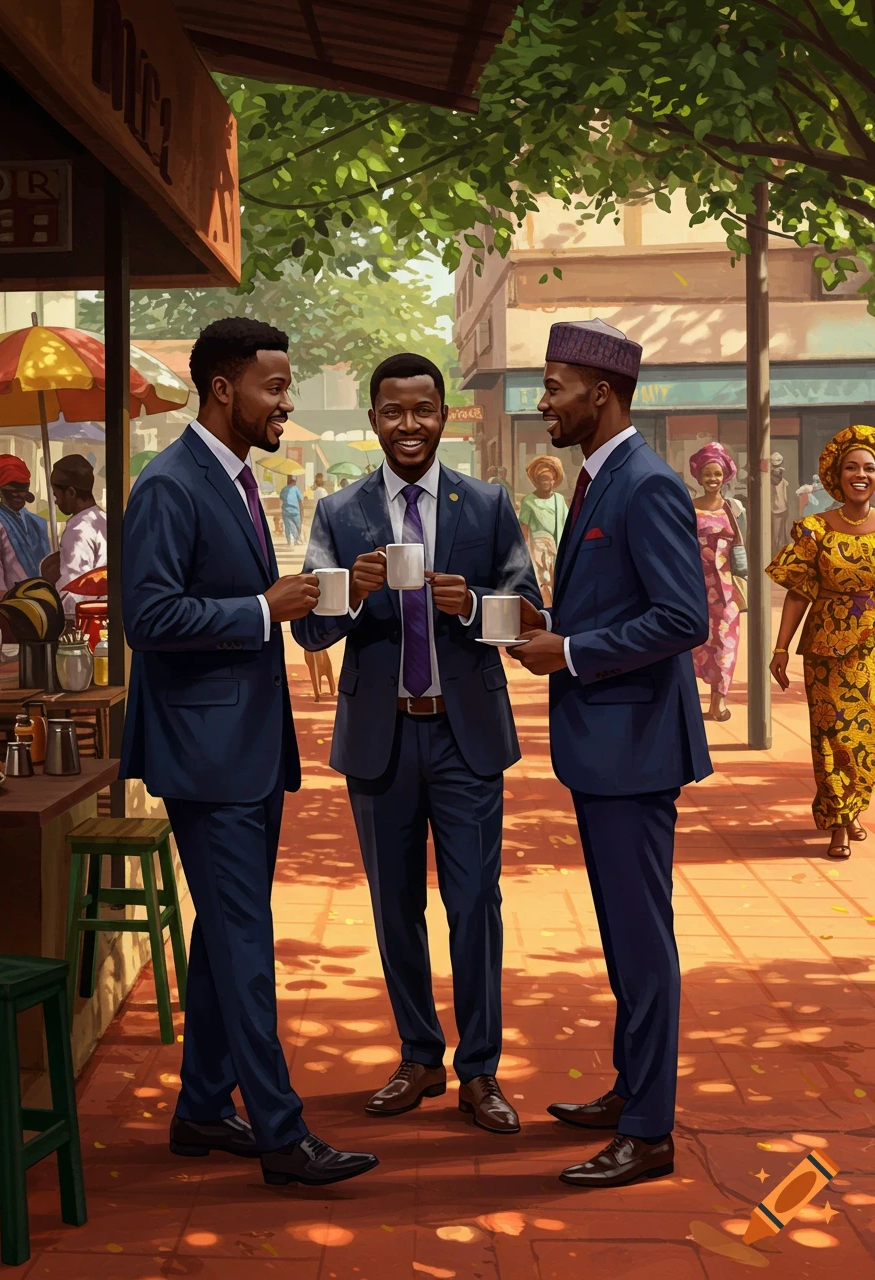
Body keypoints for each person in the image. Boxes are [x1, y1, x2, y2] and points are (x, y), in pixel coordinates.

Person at [120, 318, 378, 1189]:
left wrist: (317, 600)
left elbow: (254, 606)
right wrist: (262, 609)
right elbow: (149, 621)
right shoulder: (169, 485)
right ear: (224, 389)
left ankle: (200, 1109)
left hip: (248, 749)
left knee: (229, 937)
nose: (287, 401)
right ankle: (280, 1132)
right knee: (244, 942)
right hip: (207, 754)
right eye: (274, 386)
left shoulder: (231, 479)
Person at [292, 353, 542, 1136]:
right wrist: (351, 589)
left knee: (475, 907)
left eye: (423, 409)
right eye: (393, 411)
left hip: (466, 737)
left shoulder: (489, 505)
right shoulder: (339, 512)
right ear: (372, 420)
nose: (409, 425)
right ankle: (418, 1055)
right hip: (380, 740)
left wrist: (475, 604)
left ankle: (480, 1072)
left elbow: (528, 614)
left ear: (444, 416)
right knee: (394, 908)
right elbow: (308, 625)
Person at [508, 318, 711, 1189]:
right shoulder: (599, 479)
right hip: (605, 745)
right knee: (626, 939)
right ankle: (633, 1090)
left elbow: (682, 618)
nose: (542, 401)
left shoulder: (647, 485)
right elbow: (616, 603)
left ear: (602, 392)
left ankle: (650, 1130)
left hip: (633, 747)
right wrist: (550, 629)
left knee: (641, 940)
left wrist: (574, 654)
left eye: (554, 386)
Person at [769, 425, 875, 860]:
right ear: (836, 473)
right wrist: (779, 648)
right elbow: (797, 592)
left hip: (872, 647)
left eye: (869, 467)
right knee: (832, 735)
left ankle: (853, 808)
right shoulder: (813, 528)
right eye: (851, 466)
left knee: (865, 737)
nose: (861, 474)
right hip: (826, 646)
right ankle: (838, 823)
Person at [689, 442, 745, 723]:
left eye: (718, 474)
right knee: (691, 642)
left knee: (725, 644)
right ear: (698, 477)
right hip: (693, 585)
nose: (713, 479)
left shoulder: (734, 509)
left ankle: (717, 703)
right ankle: (687, 701)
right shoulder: (688, 508)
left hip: (725, 590)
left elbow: (742, 545)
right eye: (708, 474)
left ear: (725, 476)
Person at [47, 454, 107, 619]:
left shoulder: (77, 530)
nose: (56, 501)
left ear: (71, 492)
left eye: (56, 495)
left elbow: (73, 591)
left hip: (86, 621)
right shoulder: (106, 520)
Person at [0, 454, 50, 592]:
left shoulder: (38, 523)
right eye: (11, 491)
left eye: (22, 490)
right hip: (12, 602)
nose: (18, 495)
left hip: (43, 597)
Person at [519, 455, 569, 606]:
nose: (546, 483)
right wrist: (525, 552)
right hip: (538, 548)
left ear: (554, 481)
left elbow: (567, 525)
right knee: (543, 579)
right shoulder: (529, 501)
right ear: (537, 482)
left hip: (557, 546)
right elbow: (524, 528)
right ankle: (545, 608)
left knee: (557, 579)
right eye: (543, 479)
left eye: (549, 479)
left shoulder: (559, 500)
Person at [771, 451, 790, 553]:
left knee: (781, 531)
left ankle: (778, 549)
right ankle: (775, 551)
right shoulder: (773, 478)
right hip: (777, 508)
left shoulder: (780, 478)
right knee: (776, 532)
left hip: (780, 507)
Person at [280, 476, 304, 545]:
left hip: (286, 511)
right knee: (297, 526)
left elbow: (281, 497)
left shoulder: (284, 489)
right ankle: (296, 540)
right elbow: (301, 499)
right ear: (295, 482)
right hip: (295, 511)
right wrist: (302, 510)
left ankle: (289, 541)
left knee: (287, 526)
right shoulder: (296, 488)